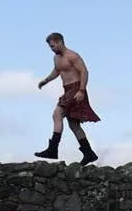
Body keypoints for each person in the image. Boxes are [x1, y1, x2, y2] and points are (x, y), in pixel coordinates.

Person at [34, 32, 100, 165]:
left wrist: (81, 90)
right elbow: (57, 71)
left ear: (59, 42)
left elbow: (84, 71)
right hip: (67, 90)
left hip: (76, 89)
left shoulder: (72, 55)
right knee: (73, 124)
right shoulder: (56, 58)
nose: (52, 49)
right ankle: (89, 153)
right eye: (50, 47)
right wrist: (45, 80)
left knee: (57, 114)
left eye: (53, 46)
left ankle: (52, 149)